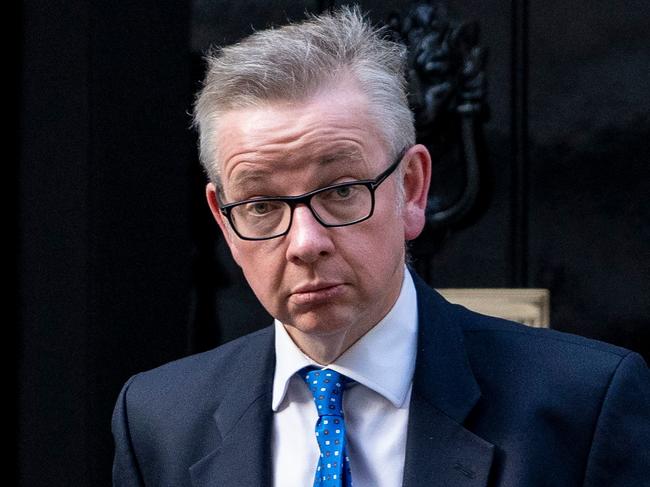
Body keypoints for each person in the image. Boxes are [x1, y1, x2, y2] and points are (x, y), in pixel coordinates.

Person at [112, 7, 650, 487]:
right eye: (261, 205)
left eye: (342, 191)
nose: (305, 243)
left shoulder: (581, 407)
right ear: (223, 220)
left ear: (411, 188)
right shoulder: (159, 419)